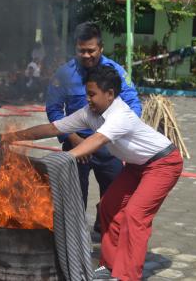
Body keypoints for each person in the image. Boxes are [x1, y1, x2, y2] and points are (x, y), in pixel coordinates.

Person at [0, 65, 183, 281]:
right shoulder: (90, 113)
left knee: (134, 216)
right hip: (137, 166)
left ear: (109, 94)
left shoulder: (121, 115)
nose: (88, 99)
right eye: (86, 93)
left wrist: (66, 157)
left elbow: (96, 140)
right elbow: (53, 128)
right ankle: (109, 266)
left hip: (164, 163)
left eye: (92, 94)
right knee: (108, 206)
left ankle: (127, 276)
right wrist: (10, 137)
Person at [46, 22, 142, 231]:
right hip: (76, 144)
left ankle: (106, 231)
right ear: (76, 48)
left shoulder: (115, 72)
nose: (87, 55)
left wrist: (115, 133)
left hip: (108, 144)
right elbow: (54, 110)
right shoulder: (63, 74)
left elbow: (133, 103)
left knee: (115, 197)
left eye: (91, 50)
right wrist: (73, 139)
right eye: (82, 51)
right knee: (73, 200)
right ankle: (75, 241)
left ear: (101, 48)